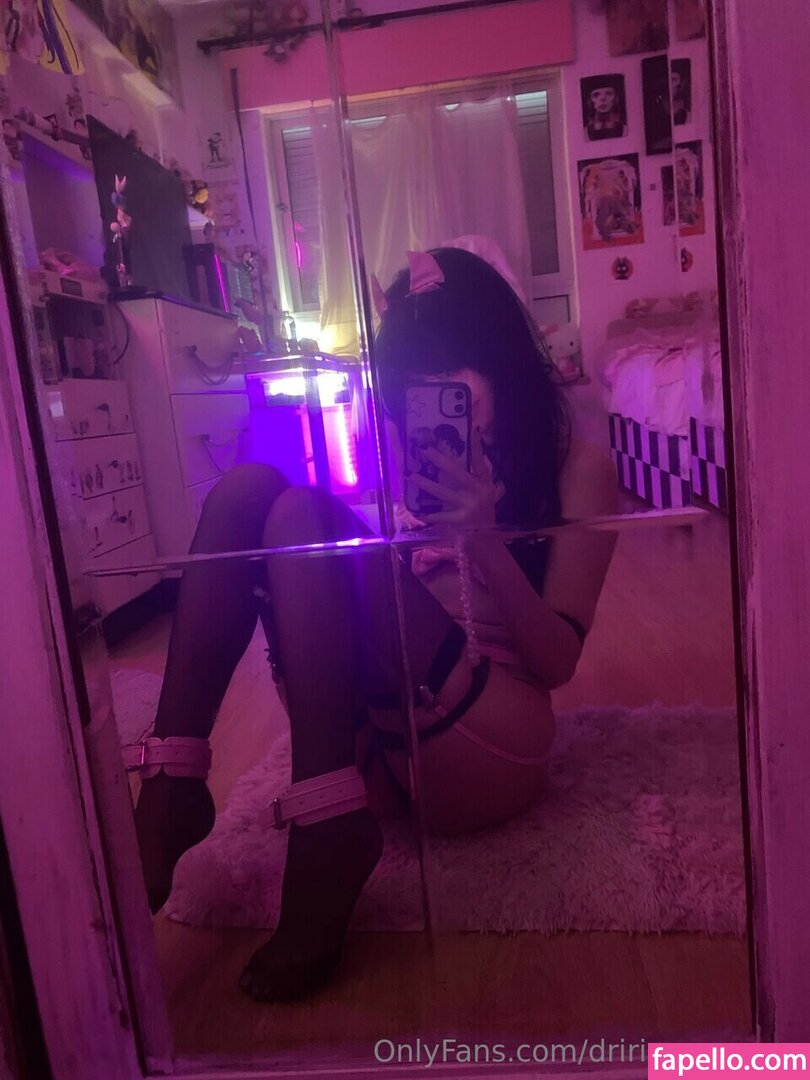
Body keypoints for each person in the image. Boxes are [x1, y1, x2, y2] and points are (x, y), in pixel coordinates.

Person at [128, 247, 618, 1004]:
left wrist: (483, 538)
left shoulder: (577, 466)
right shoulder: (417, 453)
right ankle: (173, 784)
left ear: (498, 353)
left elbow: (557, 663)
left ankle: (325, 831)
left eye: (449, 370)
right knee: (247, 491)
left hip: (490, 742)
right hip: (386, 739)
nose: (430, 395)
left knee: (305, 513)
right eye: (411, 384)